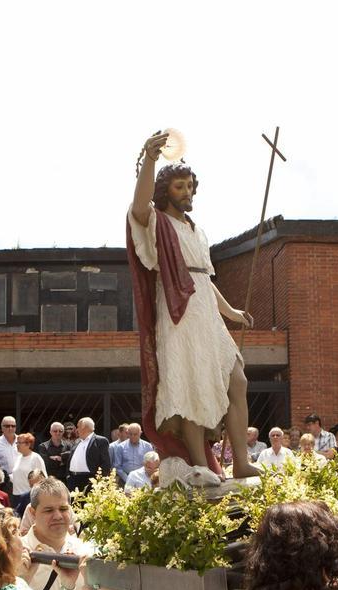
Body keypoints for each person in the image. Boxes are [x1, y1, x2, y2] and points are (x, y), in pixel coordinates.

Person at [128, 136, 259, 481]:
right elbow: (138, 210)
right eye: (179, 186)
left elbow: (204, 278)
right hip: (178, 314)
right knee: (190, 385)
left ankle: (241, 461)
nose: (187, 191)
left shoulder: (196, 230)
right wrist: (149, 161)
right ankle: (200, 463)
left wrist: (231, 313)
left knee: (236, 379)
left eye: (189, 185)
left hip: (206, 313)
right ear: (165, 190)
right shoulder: (159, 223)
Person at [10, 433, 47, 515]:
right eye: (17, 443)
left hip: (29, 497)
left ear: (28, 444)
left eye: (20, 443)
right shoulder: (18, 458)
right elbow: (15, 476)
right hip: (16, 496)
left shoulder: (36, 458)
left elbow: (43, 479)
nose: (17, 445)